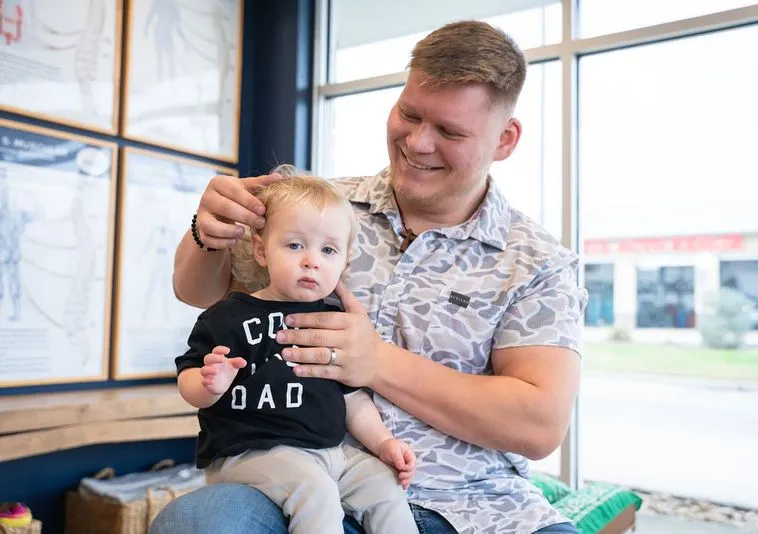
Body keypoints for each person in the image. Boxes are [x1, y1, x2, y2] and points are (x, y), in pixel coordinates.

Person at [153, 20, 587, 534]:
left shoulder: (537, 262)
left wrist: (376, 361)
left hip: (481, 507)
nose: (419, 142)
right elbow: (198, 292)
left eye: (449, 131)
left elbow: (539, 425)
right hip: (310, 481)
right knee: (200, 523)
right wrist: (207, 232)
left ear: (505, 139)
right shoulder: (320, 209)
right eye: (409, 113)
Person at [174, 175, 419, 534]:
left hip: (331, 453)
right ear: (262, 250)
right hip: (252, 452)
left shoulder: (337, 323)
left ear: (343, 263)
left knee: (383, 486)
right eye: (294, 246)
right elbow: (187, 378)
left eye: (328, 251)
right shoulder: (228, 315)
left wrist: (384, 443)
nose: (311, 261)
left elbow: (353, 400)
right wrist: (210, 383)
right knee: (315, 492)